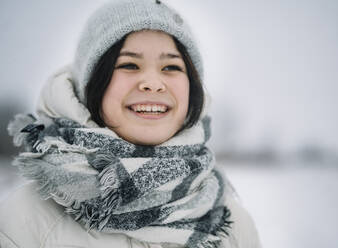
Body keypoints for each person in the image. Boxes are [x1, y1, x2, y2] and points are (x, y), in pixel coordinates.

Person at [0, 0, 261, 247]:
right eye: (128, 64)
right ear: (90, 85)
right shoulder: (28, 219)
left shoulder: (231, 224)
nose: (153, 82)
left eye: (171, 67)